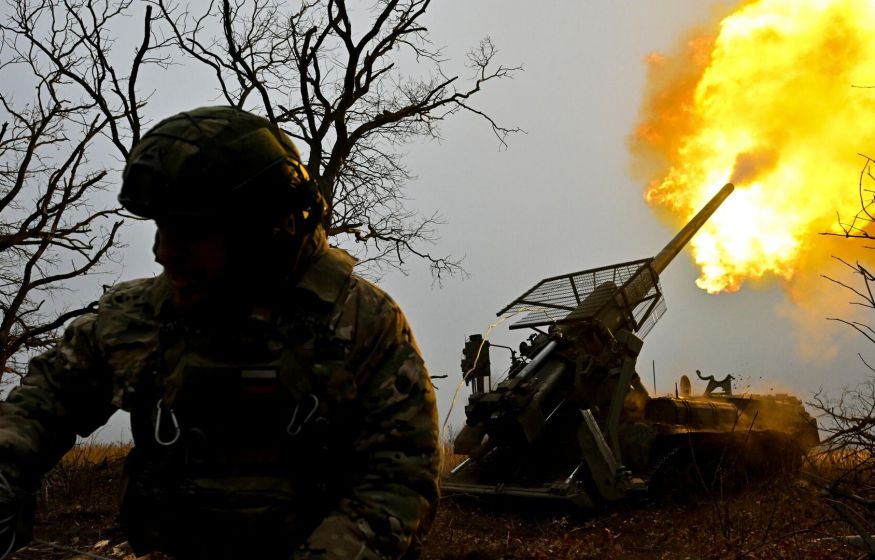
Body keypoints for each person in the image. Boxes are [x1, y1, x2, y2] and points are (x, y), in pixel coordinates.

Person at [0, 106, 440, 559]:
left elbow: (397, 484)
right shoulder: (139, 317)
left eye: (191, 231)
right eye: (161, 227)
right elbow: (43, 402)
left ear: (264, 230)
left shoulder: (359, 322)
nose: (164, 253)